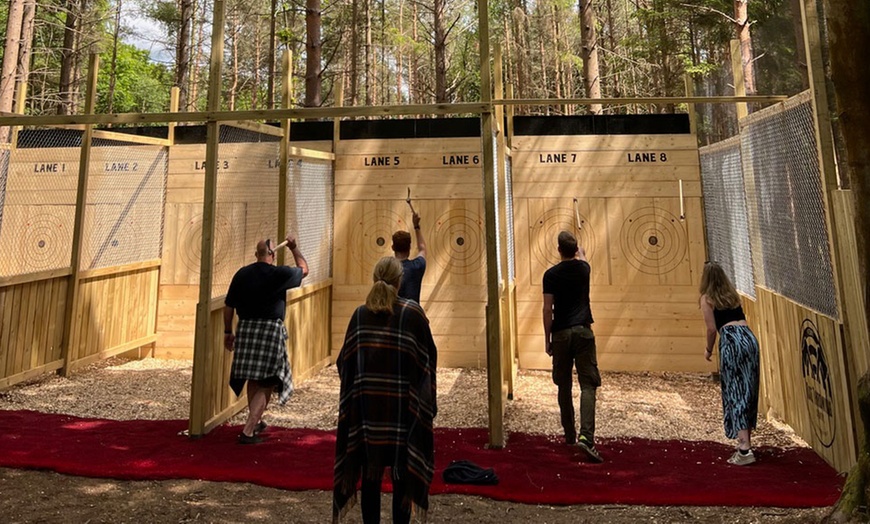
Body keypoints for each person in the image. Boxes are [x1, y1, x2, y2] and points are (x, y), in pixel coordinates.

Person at [333, 256, 438, 524]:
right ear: (400, 280)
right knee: (402, 472)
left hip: (367, 413)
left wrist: (361, 390)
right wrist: (424, 400)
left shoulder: (359, 315)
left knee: (371, 473)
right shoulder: (412, 313)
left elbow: (344, 362)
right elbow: (428, 359)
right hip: (403, 411)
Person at [223, 235, 309, 444]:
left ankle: (256, 419)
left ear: (256, 254)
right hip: (269, 331)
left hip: (246, 329)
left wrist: (228, 331)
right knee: (268, 381)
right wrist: (294, 248)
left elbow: (229, 305)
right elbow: (304, 269)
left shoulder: (242, 274)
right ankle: (249, 430)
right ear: (272, 254)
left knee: (254, 378)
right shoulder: (279, 273)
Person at [542, 230, 603, 463]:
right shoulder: (584, 269)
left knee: (563, 385)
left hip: (560, 334)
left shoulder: (550, 275)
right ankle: (586, 437)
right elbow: (585, 260)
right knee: (588, 385)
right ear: (575, 250)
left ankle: (569, 434)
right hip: (583, 331)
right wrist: (583, 253)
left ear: (559, 250)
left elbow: (548, 309)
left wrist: (547, 338)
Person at [699, 261, 760, 466]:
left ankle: (744, 449)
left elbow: (711, 328)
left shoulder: (707, 299)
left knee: (735, 391)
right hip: (749, 338)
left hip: (732, 341)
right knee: (748, 389)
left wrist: (708, 350)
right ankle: (746, 443)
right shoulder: (732, 295)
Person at [392, 212, 427, 304]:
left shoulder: (387, 269)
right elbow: (422, 249)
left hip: (391, 317)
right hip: (412, 315)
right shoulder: (417, 267)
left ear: (393, 247)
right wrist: (416, 226)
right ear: (410, 247)